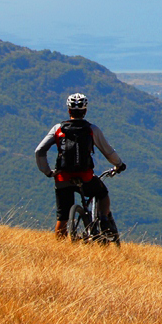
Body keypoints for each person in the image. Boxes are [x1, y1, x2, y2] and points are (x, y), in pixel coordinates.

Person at [35, 93, 126, 239]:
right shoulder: (92, 129)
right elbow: (108, 151)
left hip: (62, 178)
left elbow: (39, 151)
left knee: (62, 217)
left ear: (69, 110)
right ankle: (103, 220)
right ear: (85, 111)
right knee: (102, 193)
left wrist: (47, 171)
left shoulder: (58, 129)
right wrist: (119, 164)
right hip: (86, 177)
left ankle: (60, 249)